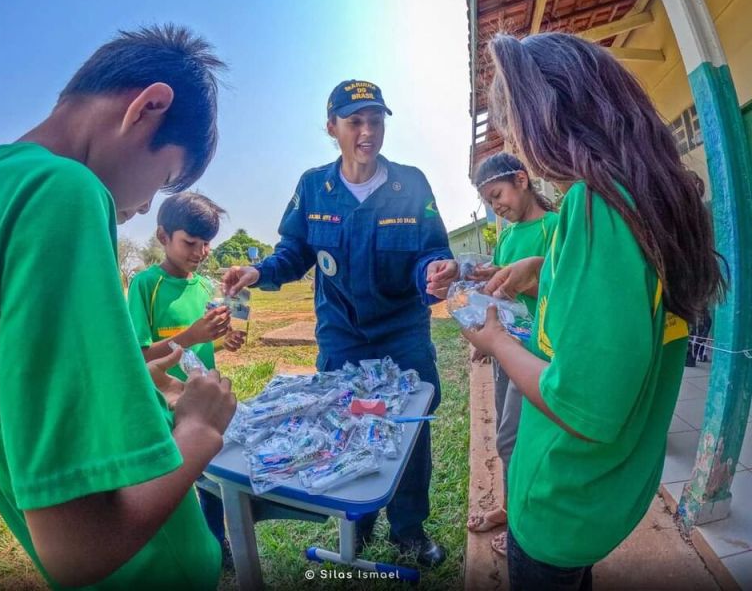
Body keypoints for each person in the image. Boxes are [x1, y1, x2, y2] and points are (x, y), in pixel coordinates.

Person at [0, 25, 237, 589]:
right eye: (164, 179)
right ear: (147, 107)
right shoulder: (61, 192)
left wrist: (127, 374)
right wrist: (201, 429)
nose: (140, 206)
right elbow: (78, 549)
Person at [462, 32, 725, 590]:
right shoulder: (646, 198)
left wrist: (497, 344)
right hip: (608, 491)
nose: (521, 148)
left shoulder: (593, 206)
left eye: (517, 129)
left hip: (562, 499)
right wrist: (543, 266)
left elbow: (581, 407)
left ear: (549, 118)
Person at [222, 80, 457, 566]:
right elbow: (294, 251)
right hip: (342, 334)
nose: (367, 131)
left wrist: (435, 269)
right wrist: (259, 271)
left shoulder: (410, 183)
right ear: (332, 128)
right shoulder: (314, 186)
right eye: (355, 121)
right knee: (345, 426)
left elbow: (432, 249)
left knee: (410, 426)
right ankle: (358, 523)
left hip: (402, 330)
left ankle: (409, 530)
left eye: (375, 120)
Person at [127, 191, 246, 566]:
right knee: (174, 479)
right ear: (163, 237)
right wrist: (192, 335)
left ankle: (218, 541)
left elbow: (202, 350)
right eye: (189, 242)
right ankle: (183, 552)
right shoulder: (147, 285)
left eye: (206, 243)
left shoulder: (204, 288)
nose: (199, 251)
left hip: (205, 401)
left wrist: (224, 341)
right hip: (166, 403)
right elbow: (139, 357)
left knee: (211, 475)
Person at [465, 152, 558, 558]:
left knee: (516, 441)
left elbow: (561, 295)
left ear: (522, 180)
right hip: (508, 351)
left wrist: (522, 284)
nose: (495, 206)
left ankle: (525, 526)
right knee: (508, 441)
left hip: (539, 355)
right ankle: (510, 508)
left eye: (497, 194)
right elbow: (502, 292)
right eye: (488, 201)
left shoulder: (555, 228)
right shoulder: (506, 236)